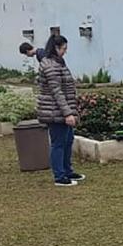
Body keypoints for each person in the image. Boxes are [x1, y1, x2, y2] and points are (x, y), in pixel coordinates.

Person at [37, 35, 84, 187]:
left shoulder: (58, 63)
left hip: (61, 109)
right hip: (54, 111)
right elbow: (57, 91)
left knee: (68, 140)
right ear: (56, 48)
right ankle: (60, 176)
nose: (65, 52)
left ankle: (67, 171)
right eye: (63, 49)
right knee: (58, 143)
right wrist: (67, 113)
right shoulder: (51, 66)